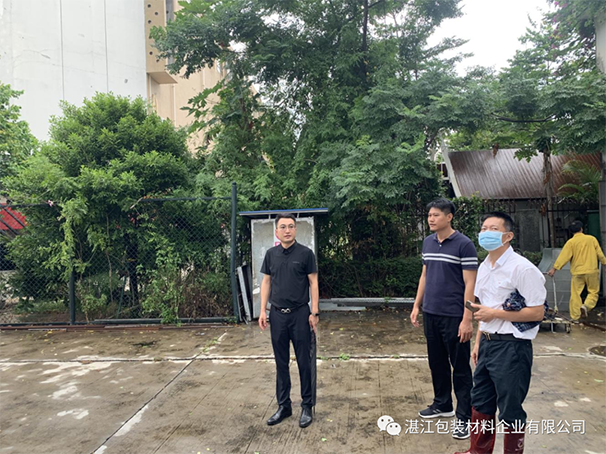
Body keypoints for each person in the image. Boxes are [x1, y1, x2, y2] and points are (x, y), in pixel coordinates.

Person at [455, 212, 545, 454]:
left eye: (493, 229)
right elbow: (482, 309)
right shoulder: (485, 266)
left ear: (508, 236)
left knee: (510, 408)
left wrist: (495, 314)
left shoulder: (522, 269)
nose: (486, 233)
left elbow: (537, 312)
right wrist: (478, 342)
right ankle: (478, 451)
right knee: (480, 400)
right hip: (487, 343)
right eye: (483, 228)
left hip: (512, 347)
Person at [411, 198, 478, 440]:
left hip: (454, 316)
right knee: (437, 362)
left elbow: (470, 283)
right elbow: (425, 275)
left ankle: (464, 417)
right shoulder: (428, 242)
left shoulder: (464, 245)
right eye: (429, 215)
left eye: (436, 215)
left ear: (449, 217)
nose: (431, 219)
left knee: (460, 368)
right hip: (431, 313)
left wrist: (467, 318)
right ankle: (442, 404)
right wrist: (417, 305)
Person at [258, 213, 320, 428]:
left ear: (295, 229)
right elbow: (266, 282)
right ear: (276, 231)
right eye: (283, 227)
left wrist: (314, 312)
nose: (287, 230)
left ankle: (307, 406)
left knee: (304, 362)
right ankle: (284, 406)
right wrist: (262, 310)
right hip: (277, 316)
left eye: (291, 226)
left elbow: (313, 283)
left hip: (300, 314)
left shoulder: (305, 254)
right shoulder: (271, 255)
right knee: (281, 362)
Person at [547, 220, 606, 323]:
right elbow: (600, 254)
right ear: (581, 229)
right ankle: (586, 306)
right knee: (593, 291)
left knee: (575, 294)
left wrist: (554, 268)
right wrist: (605, 264)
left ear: (571, 232)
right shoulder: (591, 239)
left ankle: (575, 317)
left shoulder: (571, 242)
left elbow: (564, 257)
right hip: (592, 271)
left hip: (577, 272)